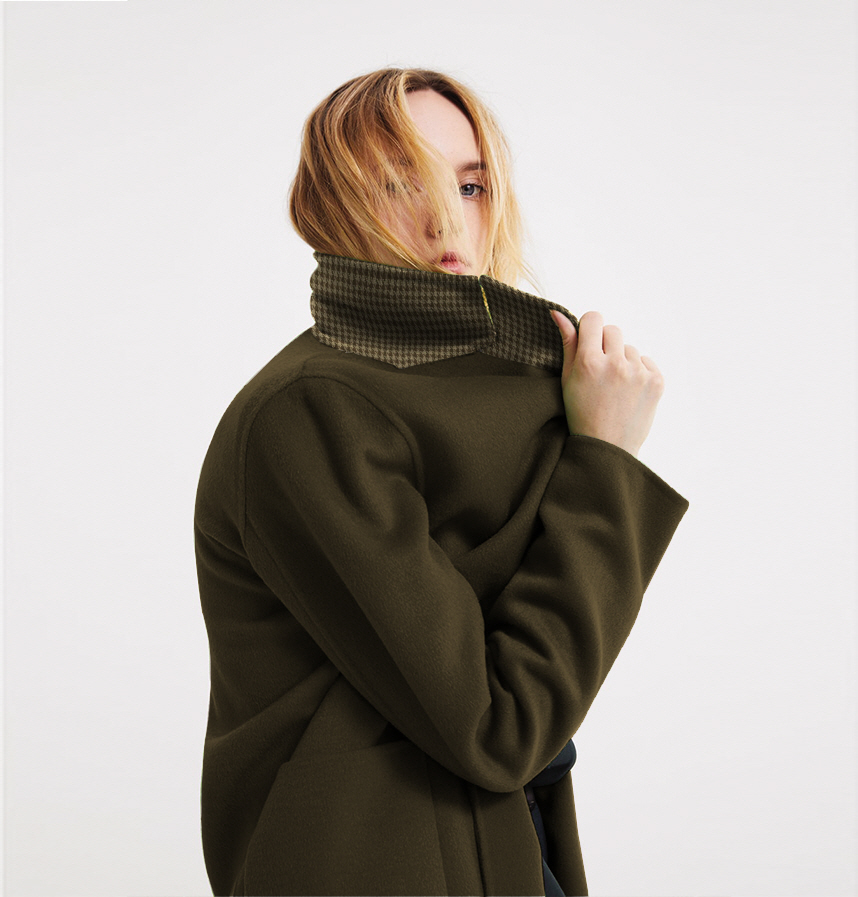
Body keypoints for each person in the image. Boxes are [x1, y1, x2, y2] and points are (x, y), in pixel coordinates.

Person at [194, 67, 689, 897]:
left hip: (491, 851)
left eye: (470, 185)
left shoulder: (482, 392)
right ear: (331, 203)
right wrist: (604, 460)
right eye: (401, 183)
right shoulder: (310, 411)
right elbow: (500, 725)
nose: (446, 219)